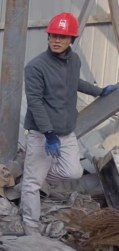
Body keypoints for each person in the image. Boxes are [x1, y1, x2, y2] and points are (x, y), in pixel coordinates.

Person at [22, 12, 117, 236]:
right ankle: (30, 225)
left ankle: (36, 177)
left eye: (62, 37)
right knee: (32, 183)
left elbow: (76, 82)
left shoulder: (73, 61)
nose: (56, 40)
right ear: (48, 37)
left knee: (73, 172)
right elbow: (35, 103)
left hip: (66, 132)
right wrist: (48, 134)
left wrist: (100, 91)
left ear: (72, 40)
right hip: (42, 134)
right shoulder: (36, 67)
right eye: (53, 35)